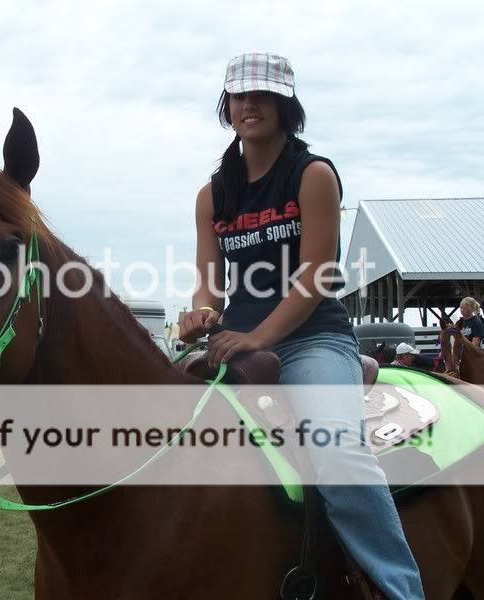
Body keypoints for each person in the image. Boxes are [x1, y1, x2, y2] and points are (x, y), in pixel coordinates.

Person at [178, 52, 424, 598]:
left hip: (314, 340)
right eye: (240, 95)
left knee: (336, 454)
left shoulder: (312, 175)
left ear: (286, 104)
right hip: (235, 342)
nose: (250, 105)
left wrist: (258, 337)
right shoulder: (212, 194)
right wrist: (201, 315)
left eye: (262, 95)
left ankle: (400, 587)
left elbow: (316, 278)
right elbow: (209, 284)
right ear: (227, 105)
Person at [439, 297, 484, 376]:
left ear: (470, 308)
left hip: (470, 353)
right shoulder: (460, 322)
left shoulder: (476, 322)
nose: (462, 310)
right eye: (461, 307)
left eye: (464, 308)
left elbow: (475, 344)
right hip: (459, 352)